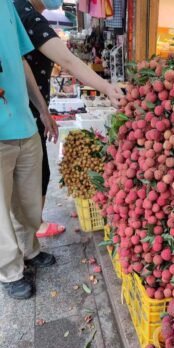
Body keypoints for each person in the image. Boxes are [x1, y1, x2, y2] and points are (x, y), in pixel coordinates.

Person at [14, 0, 124, 238]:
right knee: (26, 184)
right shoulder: (23, 14)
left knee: (33, 179)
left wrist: (44, 111)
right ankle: (26, 245)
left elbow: (26, 68)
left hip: (29, 115)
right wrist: (106, 87)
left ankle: (31, 241)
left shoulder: (21, 13)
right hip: (19, 120)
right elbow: (68, 61)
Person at [0, 0, 58, 300]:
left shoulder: (8, 7)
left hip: (24, 124)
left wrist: (43, 111)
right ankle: (9, 271)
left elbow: (22, 61)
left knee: (28, 200)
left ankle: (30, 250)